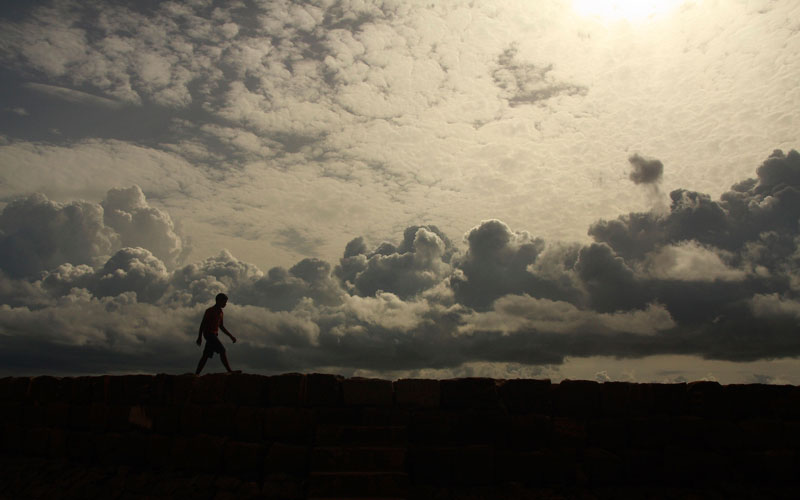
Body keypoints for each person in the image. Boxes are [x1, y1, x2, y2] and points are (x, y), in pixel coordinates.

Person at [195, 293, 238, 375]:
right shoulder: (210, 311)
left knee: (206, 355)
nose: (225, 304)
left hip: (214, 334)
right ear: (218, 301)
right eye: (224, 302)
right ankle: (230, 371)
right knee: (222, 350)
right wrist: (199, 337)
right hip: (209, 334)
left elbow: (221, 326)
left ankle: (196, 374)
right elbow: (203, 324)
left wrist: (231, 336)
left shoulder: (221, 312)